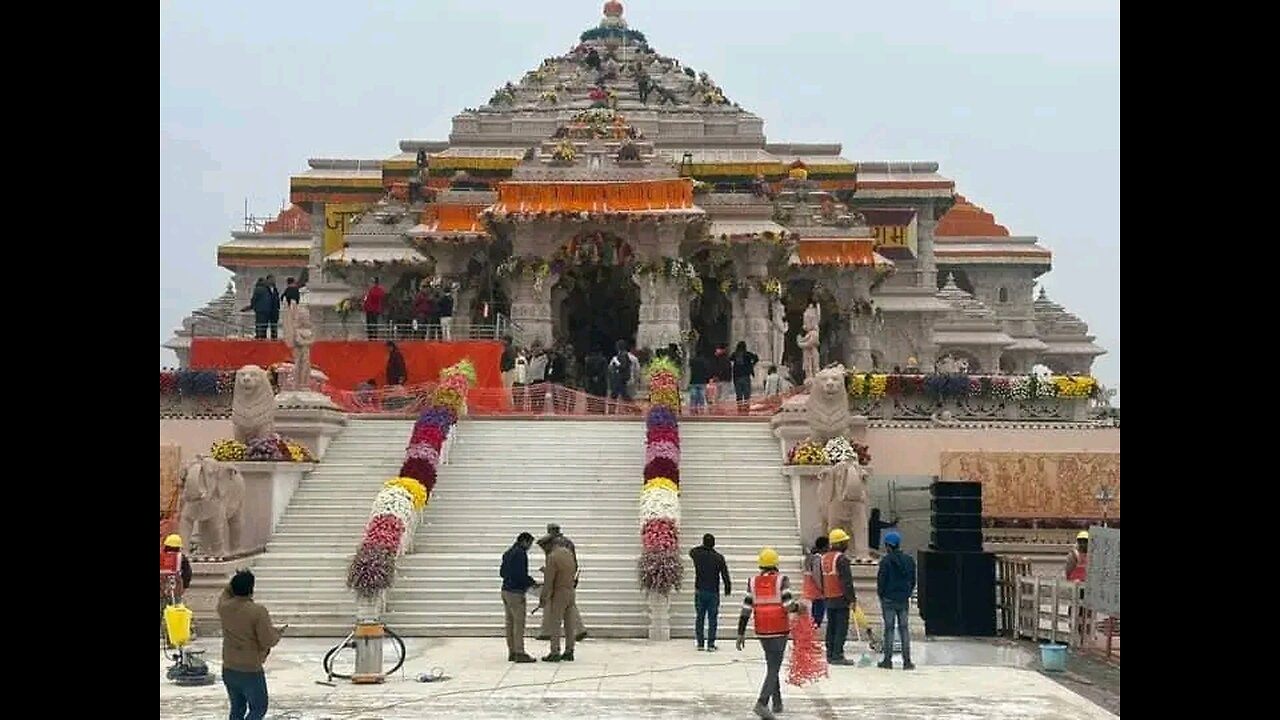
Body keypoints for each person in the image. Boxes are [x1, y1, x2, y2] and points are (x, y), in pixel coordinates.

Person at [735, 547, 800, 720]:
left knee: (772, 664)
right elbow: (788, 605)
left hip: (762, 630)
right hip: (779, 629)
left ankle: (777, 703)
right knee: (774, 667)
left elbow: (746, 607)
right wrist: (801, 608)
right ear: (776, 564)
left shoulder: (753, 582)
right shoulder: (782, 580)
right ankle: (762, 703)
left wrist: (740, 632)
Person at [217, 569, 283, 720]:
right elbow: (268, 640)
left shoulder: (223, 608)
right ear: (251, 589)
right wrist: (277, 634)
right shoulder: (257, 611)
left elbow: (225, 593)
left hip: (229, 667)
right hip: (250, 670)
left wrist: (236, 580)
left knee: (237, 708)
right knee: (259, 708)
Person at [539, 523, 588, 641]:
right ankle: (548, 630)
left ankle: (548, 632)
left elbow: (541, 543)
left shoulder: (552, 544)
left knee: (557, 604)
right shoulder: (568, 542)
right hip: (569, 575)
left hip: (558, 577)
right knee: (568, 603)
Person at [876, 530, 916, 670]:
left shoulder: (886, 561)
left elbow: (881, 581)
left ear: (888, 545)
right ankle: (907, 661)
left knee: (889, 629)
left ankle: (887, 660)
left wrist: (881, 595)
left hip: (888, 599)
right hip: (903, 599)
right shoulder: (909, 560)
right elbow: (913, 580)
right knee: (904, 629)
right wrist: (907, 593)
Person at [536, 534, 578, 662]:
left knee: (555, 623)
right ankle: (569, 650)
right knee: (569, 623)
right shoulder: (568, 553)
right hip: (570, 590)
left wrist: (543, 598)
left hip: (559, 592)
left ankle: (555, 651)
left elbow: (549, 581)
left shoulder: (552, 557)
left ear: (548, 545)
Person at [689, 533, 732, 651]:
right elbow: (725, 574)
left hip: (700, 590)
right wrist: (728, 587)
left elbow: (691, 551)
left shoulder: (697, 554)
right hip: (713, 591)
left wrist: (702, 547)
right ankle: (711, 644)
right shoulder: (718, 557)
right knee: (712, 618)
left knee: (700, 617)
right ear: (714, 543)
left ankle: (700, 643)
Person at [500, 532, 539, 663]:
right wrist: (532, 583)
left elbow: (502, 573)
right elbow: (521, 575)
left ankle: (511, 651)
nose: (529, 547)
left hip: (505, 590)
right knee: (519, 623)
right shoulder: (521, 554)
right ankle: (519, 652)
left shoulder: (508, 552)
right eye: (529, 544)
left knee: (509, 623)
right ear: (524, 541)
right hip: (516, 592)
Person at [821, 528, 858, 664]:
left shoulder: (824, 558)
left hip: (828, 597)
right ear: (840, 543)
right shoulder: (841, 559)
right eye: (845, 542)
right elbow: (846, 582)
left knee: (831, 626)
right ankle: (838, 655)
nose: (846, 544)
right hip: (841, 598)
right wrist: (852, 599)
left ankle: (830, 653)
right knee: (841, 628)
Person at [160, 534, 193, 644]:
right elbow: (187, 573)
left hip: (161, 591)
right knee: (175, 616)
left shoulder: (160, 556)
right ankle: (172, 640)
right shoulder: (181, 558)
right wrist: (184, 586)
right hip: (175, 591)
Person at [802, 535, 829, 628]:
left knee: (815, 604)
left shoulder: (810, 557)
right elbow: (817, 574)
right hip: (816, 586)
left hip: (809, 584)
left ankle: (813, 621)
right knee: (820, 604)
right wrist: (822, 587)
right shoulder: (817, 558)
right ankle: (817, 622)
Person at [730, 341, 759, 413]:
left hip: (737, 376)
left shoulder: (734, 354)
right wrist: (752, 365)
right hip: (746, 376)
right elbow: (756, 358)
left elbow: (729, 359)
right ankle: (746, 409)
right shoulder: (747, 354)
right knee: (747, 394)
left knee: (739, 394)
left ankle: (739, 409)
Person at [264, 275, 282, 340]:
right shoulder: (264, 288)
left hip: (274, 310)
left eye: (274, 279)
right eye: (272, 279)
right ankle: (263, 339)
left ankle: (274, 338)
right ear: (268, 280)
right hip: (267, 309)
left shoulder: (275, 289)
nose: (273, 280)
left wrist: (278, 306)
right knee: (264, 325)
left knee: (274, 326)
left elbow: (277, 298)